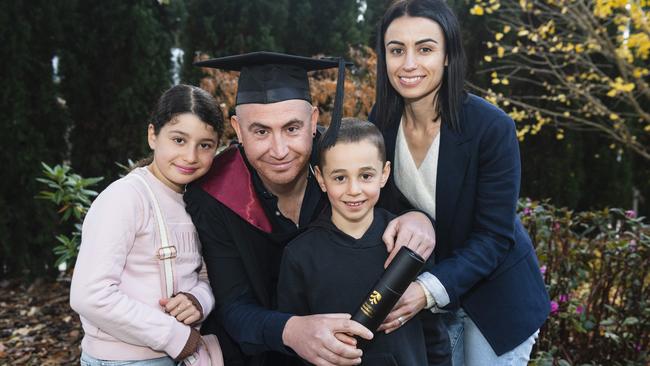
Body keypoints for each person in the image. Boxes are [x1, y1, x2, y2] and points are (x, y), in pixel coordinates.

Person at [184, 51, 441, 366]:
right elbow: (234, 305)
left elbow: (392, 205)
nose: (279, 150)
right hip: (258, 352)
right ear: (238, 129)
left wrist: (420, 220)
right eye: (260, 131)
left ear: (314, 122)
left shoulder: (344, 162)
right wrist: (290, 330)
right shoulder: (214, 195)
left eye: (292, 128)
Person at [369, 0, 550, 365]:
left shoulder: (491, 128)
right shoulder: (380, 122)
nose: (408, 64)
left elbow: (494, 237)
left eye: (425, 49)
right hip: (432, 298)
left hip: (497, 296)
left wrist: (424, 290)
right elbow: (382, 207)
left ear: (448, 54)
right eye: (396, 50)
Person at [70, 84, 224, 366]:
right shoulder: (125, 198)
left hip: (178, 356)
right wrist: (173, 336)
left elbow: (204, 275)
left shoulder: (197, 200)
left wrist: (198, 300)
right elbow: (88, 295)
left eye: (205, 145)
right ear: (153, 135)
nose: (191, 156)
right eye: (179, 140)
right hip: (123, 360)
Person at [277, 117, 429, 365]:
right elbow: (296, 343)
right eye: (340, 178)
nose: (354, 189)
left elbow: (432, 331)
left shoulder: (407, 241)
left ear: (384, 173)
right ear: (321, 179)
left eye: (366, 175)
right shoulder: (299, 254)